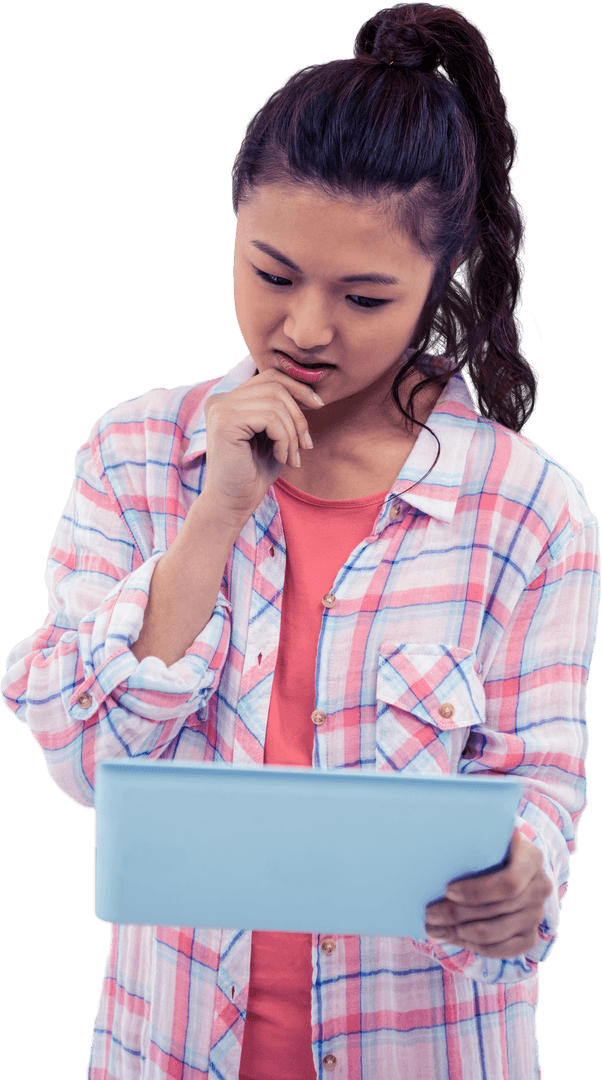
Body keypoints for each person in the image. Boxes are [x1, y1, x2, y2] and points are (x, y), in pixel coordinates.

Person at [1, 2, 599, 1077]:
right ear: (230, 227)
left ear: (440, 280)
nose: (306, 329)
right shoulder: (137, 453)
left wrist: (529, 874)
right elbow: (88, 763)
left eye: (364, 296)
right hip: (169, 1048)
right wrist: (215, 513)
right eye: (271, 274)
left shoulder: (528, 513)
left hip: (422, 1049)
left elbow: (539, 782)